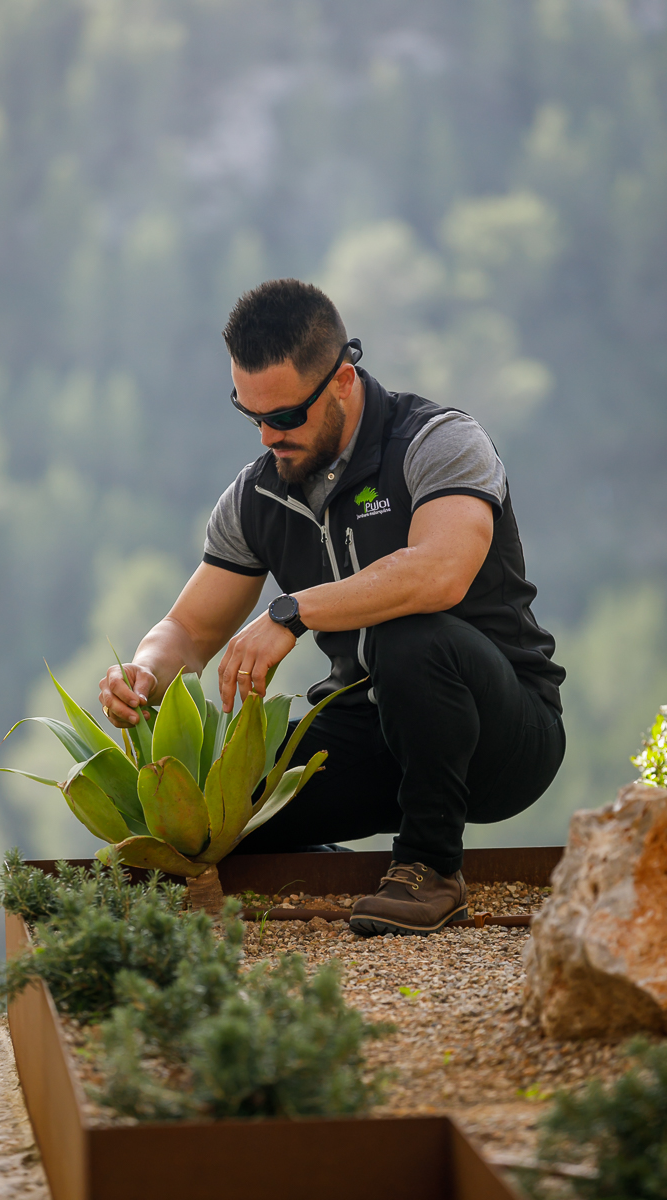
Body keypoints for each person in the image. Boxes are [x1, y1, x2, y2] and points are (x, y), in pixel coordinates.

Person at [99, 279, 565, 937]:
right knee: (214, 805)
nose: (267, 437)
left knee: (409, 637)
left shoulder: (439, 441)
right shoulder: (257, 495)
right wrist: (145, 672)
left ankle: (431, 870)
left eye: (285, 417)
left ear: (343, 380)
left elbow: (440, 574)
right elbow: (189, 628)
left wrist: (291, 611)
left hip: (499, 735)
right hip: (369, 732)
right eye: (250, 414)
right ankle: (337, 875)